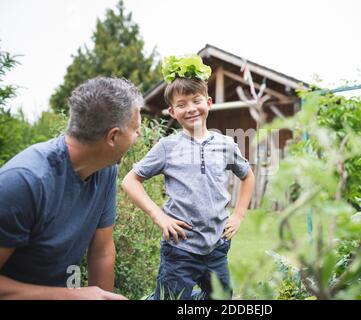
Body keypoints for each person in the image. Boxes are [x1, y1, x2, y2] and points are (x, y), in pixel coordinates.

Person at [122, 54, 255, 300]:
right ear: (172, 112)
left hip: (217, 246)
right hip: (179, 250)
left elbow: (248, 176)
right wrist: (159, 216)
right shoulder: (167, 147)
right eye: (182, 104)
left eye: (196, 100)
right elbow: (130, 180)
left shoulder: (225, 144)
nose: (191, 108)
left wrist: (238, 214)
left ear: (209, 102)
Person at [0, 77, 143, 299]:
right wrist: (71, 296)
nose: (139, 136)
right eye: (136, 129)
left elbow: (101, 252)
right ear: (113, 136)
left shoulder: (105, 170)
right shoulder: (24, 181)